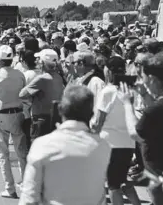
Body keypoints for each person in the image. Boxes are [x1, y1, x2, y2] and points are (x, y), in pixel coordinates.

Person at [19, 85, 111, 205]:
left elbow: (29, 198)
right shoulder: (102, 147)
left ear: (60, 109)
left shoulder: (42, 145)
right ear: (91, 114)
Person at [90, 56, 141, 205]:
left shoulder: (107, 91)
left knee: (113, 185)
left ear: (109, 70)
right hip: (128, 143)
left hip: (109, 144)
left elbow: (98, 123)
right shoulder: (130, 90)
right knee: (122, 180)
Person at [119, 52, 163, 205]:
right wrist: (144, 94)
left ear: (152, 79)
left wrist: (127, 103)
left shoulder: (155, 109)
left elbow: (136, 133)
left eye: (144, 77)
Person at [0, 45, 28, 199]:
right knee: (21, 152)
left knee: (2, 153)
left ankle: (10, 187)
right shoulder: (19, 74)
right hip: (17, 113)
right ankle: (25, 184)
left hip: (1, 116)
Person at [19, 49, 65, 141]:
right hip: (56, 120)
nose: (37, 61)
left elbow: (22, 94)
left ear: (43, 63)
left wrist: (32, 96)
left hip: (41, 121)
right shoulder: (58, 77)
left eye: (39, 59)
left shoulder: (41, 79)